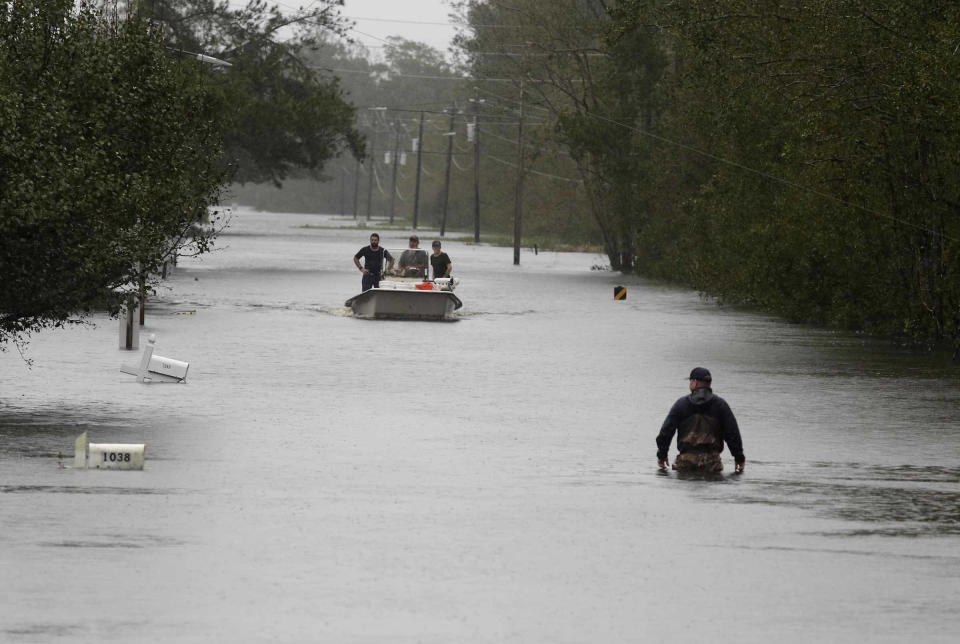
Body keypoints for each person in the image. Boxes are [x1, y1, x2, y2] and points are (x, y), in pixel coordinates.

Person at [656, 367, 745, 473]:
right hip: (712, 464)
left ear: (695, 382)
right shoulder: (720, 405)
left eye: (690, 381)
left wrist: (662, 455)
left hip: (685, 463)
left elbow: (666, 432)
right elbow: (732, 434)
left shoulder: (681, 404)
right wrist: (739, 457)